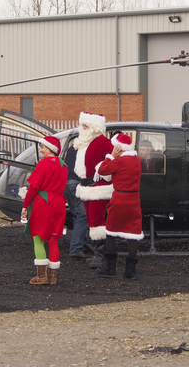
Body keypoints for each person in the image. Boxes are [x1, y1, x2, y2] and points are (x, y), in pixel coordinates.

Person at [94, 133, 143, 279]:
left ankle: (110, 268)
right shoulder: (137, 159)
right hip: (134, 198)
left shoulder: (119, 160)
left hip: (119, 198)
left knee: (111, 232)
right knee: (133, 233)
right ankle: (130, 271)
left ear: (118, 147)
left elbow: (102, 170)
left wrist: (110, 156)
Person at [20, 136, 68, 285]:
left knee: (38, 238)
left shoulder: (43, 165)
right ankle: (53, 277)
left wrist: (24, 206)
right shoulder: (64, 165)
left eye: (43, 147)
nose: (40, 150)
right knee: (53, 239)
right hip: (59, 203)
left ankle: (41, 277)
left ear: (51, 150)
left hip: (43, 203)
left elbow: (33, 188)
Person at [73, 112, 114, 268]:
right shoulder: (85, 142)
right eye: (82, 125)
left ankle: (101, 256)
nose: (83, 128)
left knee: (98, 222)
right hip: (86, 187)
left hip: (98, 188)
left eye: (86, 126)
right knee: (92, 221)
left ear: (95, 127)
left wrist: (102, 171)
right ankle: (99, 254)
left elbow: (114, 162)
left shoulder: (103, 142)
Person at [64, 144, 91, 260]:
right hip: (77, 182)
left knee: (76, 214)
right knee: (83, 216)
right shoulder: (88, 147)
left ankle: (80, 243)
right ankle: (76, 249)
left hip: (66, 183)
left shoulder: (73, 147)